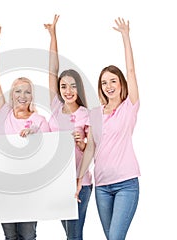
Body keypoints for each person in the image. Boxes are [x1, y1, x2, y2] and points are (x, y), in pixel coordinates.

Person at [76, 17, 140, 240]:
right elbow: (91, 149)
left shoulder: (128, 107)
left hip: (126, 184)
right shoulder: (95, 113)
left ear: (121, 83)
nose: (109, 86)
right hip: (102, 186)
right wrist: (79, 179)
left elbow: (131, 71)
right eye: (104, 82)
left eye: (113, 81)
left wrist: (125, 36)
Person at [0, 25, 50, 240]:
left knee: (27, 235)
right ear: (11, 94)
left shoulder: (40, 120)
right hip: (6, 185)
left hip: (30, 188)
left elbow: (50, 152)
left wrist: (37, 136)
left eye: (27, 92)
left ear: (32, 96)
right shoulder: (3, 114)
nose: (22, 95)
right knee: (9, 237)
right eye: (17, 91)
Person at [44, 15, 92, 240]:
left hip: (80, 182)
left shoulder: (86, 114)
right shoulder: (56, 107)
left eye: (72, 86)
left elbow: (90, 149)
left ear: (78, 88)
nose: (67, 90)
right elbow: (52, 71)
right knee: (71, 234)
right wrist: (53, 36)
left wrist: (80, 142)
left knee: (74, 234)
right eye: (63, 86)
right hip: (58, 183)